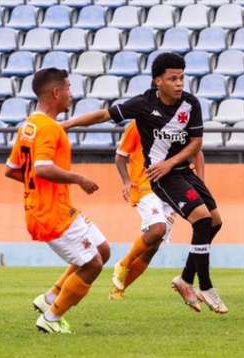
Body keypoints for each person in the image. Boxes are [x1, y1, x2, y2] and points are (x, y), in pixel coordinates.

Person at [62, 53, 227, 314]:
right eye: (173, 78)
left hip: (181, 171)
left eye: (182, 78)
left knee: (215, 223)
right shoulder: (142, 104)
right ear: (157, 81)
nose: (179, 83)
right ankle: (204, 285)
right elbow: (104, 115)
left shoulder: (190, 104)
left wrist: (173, 163)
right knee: (200, 221)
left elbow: (196, 144)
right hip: (161, 178)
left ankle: (185, 279)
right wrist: (68, 124)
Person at [5, 68, 111, 334]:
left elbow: (13, 169)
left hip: (56, 207)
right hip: (51, 212)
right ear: (56, 92)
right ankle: (51, 318)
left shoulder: (29, 125)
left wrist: (41, 189)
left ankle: (51, 298)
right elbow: (41, 168)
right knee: (93, 265)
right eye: (68, 89)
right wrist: (79, 179)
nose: (71, 95)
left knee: (103, 249)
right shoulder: (50, 129)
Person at [109, 118, 205, 300]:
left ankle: (118, 290)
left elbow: (197, 152)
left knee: (153, 247)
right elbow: (120, 156)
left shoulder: (179, 122)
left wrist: (200, 184)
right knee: (157, 228)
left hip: (172, 188)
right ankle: (123, 263)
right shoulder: (137, 124)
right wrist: (127, 182)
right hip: (145, 185)